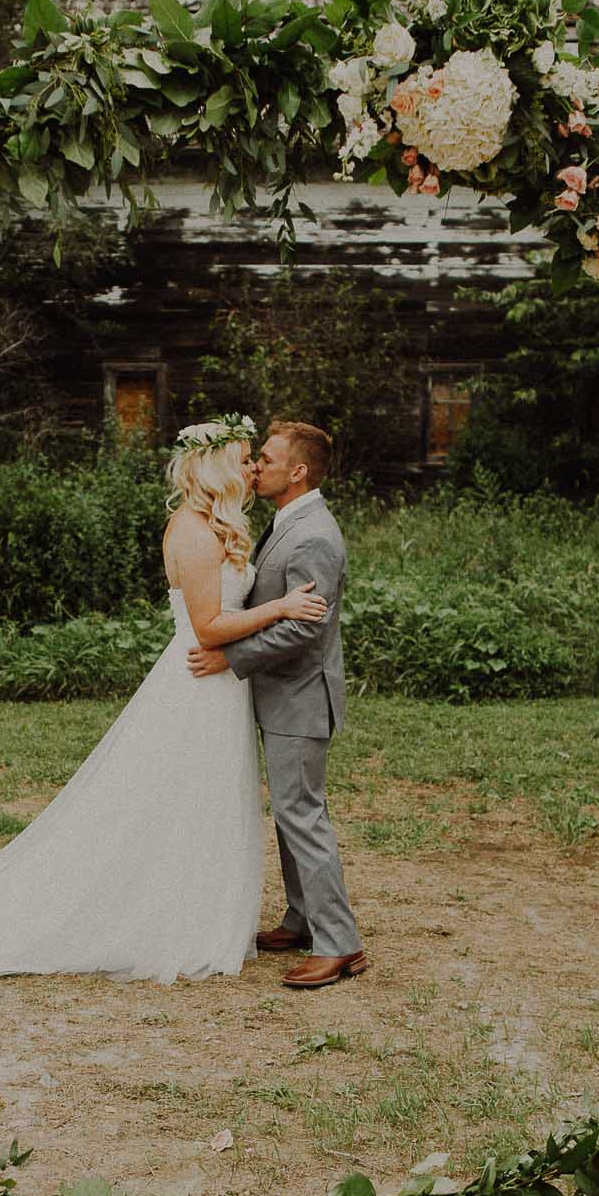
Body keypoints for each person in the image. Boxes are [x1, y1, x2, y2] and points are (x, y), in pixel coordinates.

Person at [0, 414, 327, 986]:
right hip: (199, 679)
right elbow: (208, 627)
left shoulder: (218, 525)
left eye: (255, 457)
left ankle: (192, 903)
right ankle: (159, 914)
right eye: (241, 458)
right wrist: (280, 608)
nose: (252, 465)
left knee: (200, 798)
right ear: (214, 466)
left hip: (218, 686)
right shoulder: (193, 530)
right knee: (175, 799)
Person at [186, 420, 364, 989]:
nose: (257, 466)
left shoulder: (314, 535)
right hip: (283, 695)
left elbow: (305, 632)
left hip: (301, 697)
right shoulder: (288, 522)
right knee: (291, 813)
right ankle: (301, 917)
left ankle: (340, 944)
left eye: (267, 458)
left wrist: (231, 657)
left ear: (298, 471)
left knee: (302, 814)